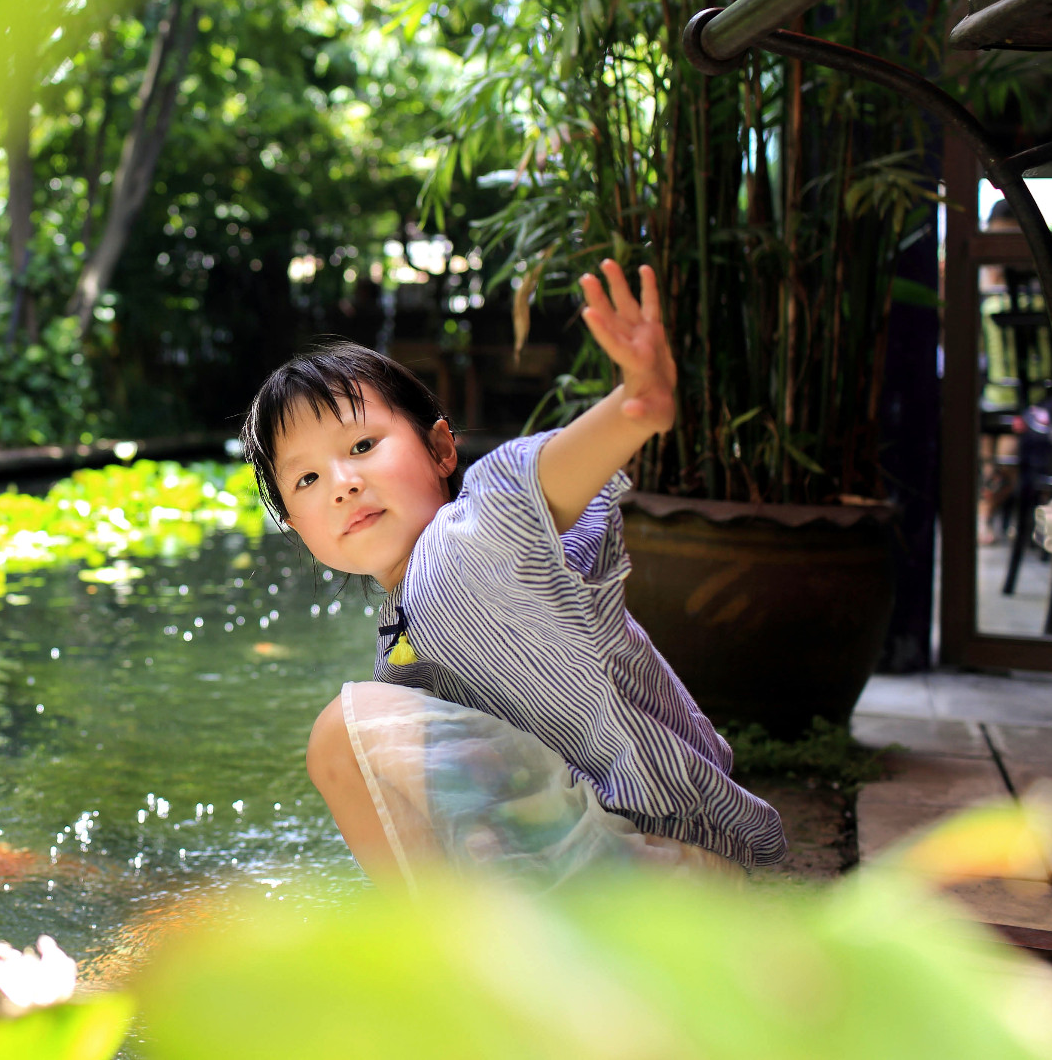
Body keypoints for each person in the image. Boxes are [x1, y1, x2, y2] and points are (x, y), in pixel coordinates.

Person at [242, 260, 785, 887]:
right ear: (299, 529)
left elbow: (524, 492)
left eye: (363, 446)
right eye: (307, 479)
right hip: (662, 868)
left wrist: (632, 410)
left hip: (667, 872)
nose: (343, 485)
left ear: (443, 449)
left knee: (343, 738)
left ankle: (449, 967)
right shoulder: (406, 629)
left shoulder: (460, 550)